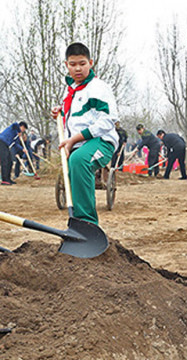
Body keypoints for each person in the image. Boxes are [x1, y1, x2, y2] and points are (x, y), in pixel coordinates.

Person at [51, 42, 119, 225]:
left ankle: (87, 224)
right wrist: (62, 112)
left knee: (79, 160)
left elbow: (107, 120)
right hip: (79, 144)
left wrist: (73, 139)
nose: (78, 68)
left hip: (101, 141)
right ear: (66, 65)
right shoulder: (72, 91)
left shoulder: (98, 88)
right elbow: (80, 117)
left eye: (82, 63)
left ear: (90, 62)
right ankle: (79, 222)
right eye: (73, 64)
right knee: (73, 166)